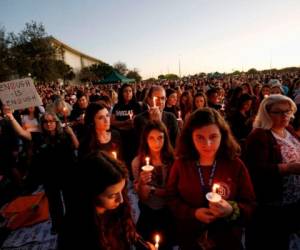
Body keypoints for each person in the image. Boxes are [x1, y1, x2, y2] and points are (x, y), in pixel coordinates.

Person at [167, 108, 256, 250]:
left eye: (213, 137)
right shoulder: (181, 164)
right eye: (200, 137)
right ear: (191, 137)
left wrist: (231, 210)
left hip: (227, 240)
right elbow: (171, 198)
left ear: (223, 135)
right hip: (190, 239)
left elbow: (250, 204)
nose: (207, 144)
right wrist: (193, 213)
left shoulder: (235, 165)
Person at [58, 151, 155, 250]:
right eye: (112, 195)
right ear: (92, 194)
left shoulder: (117, 208)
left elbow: (126, 230)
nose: (121, 200)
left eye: (122, 191)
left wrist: (142, 245)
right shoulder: (73, 230)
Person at [244, 94, 300, 250]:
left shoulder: (288, 129)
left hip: (294, 201)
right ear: (267, 113)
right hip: (273, 205)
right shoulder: (259, 135)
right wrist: (288, 168)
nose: (285, 115)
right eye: (279, 112)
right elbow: (255, 170)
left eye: (288, 111)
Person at [132, 120, 175, 249]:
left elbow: (172, 193)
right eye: (151, 138)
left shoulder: (172, 160)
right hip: (147, 214)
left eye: (160, 138)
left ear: (165, 138)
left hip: (168, 213)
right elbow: (143, 197)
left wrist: (151, 189)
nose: (156, 143)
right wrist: (140, 183)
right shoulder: (137, 163)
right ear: (145, 139)